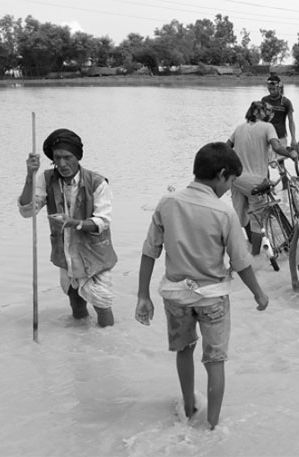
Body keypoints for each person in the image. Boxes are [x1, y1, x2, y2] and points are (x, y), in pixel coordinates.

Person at [135, 142, 269, 431]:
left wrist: (143, 295)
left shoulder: (167, 203)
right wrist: (259, 293)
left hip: (176, 296)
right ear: (221, 174)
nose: (230, 188)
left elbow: (149, 251)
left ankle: (189, 406)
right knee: (215, 361)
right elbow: (241, 262)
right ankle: (212, 426)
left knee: (184, 350)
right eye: (231, 182)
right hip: (212, 298)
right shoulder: (224, 213)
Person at [18, 128, 117, 327]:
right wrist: (30, 175)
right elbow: (27, 211)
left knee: (102, 304)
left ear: (77, 157)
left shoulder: (97, 182)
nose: (62, 164)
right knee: (75, 302)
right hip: (66, 255)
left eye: (67, 157)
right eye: (57, 158)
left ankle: (108, 343)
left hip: (94, 256)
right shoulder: (46, 179)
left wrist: (73, 223)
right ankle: (79, 344)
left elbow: (102, 222)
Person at [226, 101, 297, 253]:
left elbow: (226, 149)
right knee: (258, 222)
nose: (270, 114)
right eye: (267, 111)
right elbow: (277, 147)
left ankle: (250, 244)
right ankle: (256, 256)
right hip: (256, 181)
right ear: (261, 113)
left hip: (236, 179)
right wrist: (290, 154)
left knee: (241, 216)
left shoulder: (239, 128)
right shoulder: (267, 127)